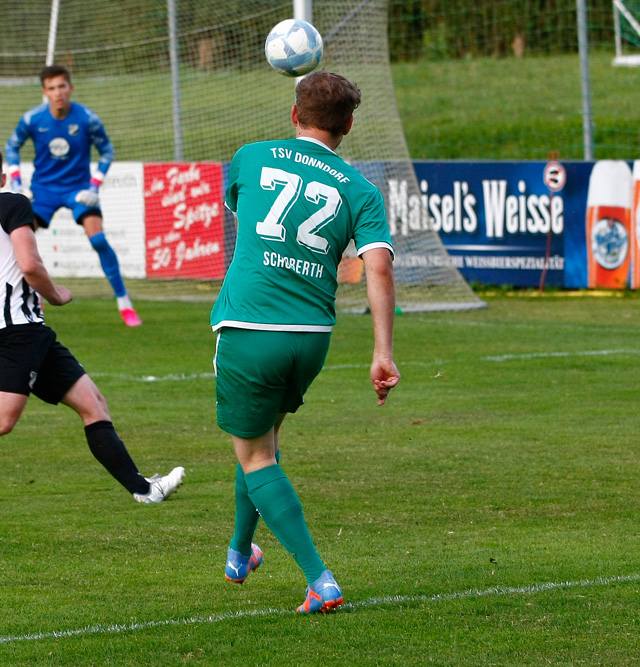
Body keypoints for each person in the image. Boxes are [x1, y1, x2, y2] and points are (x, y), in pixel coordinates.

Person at [0, 146, 184, 512]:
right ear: (4, 177)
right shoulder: (12, 202)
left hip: (14, 328)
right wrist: (56, 294)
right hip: (17, 331)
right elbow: (28, 263)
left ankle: (144, 489)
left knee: (93, 404)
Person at [210, 71, 400, 614]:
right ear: (350, 126)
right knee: (262, 445)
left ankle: (320, 579)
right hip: (312, 337)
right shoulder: (360, 190)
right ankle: (239, 551)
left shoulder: (250, 156)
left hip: (250, 327)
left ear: (295, 115)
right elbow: (378, 269)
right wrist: (382, 353)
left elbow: (245, 215)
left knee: (254, 454)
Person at [5, 64, 141, 327]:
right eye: (52, 88)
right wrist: (18, 182)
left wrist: (93, 186)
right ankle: (34, 298)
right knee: (21, 243)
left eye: (62, 86)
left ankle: (125, 303)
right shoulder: (33, 119)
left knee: (99, 240)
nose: (58, 93)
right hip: (43, 190)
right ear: (45, 92)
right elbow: (12, 146)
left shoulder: (87, 118)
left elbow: (107, 152)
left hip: (78, 189)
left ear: (70, 88)